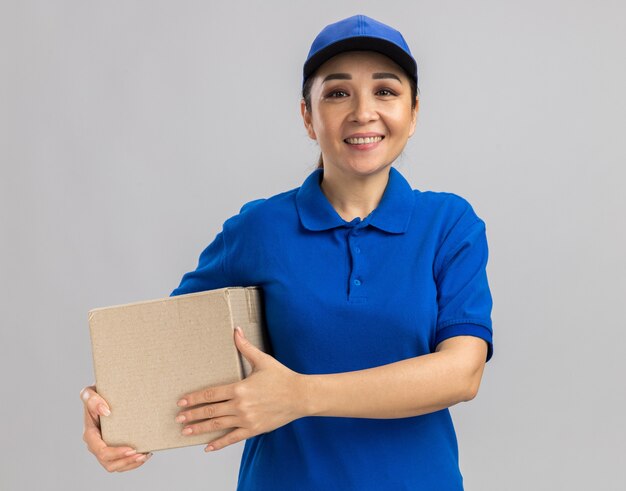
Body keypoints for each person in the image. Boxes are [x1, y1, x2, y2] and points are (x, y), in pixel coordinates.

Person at [81, 14, 494, 490]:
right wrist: (107, 411)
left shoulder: (449, 225)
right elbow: (164, 357)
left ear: (414, 113)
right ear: (307, 116)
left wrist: (299, 395)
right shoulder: (260, 229)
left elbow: (461, 374)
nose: (363, 111)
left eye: (386, 91)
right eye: (337, 93)